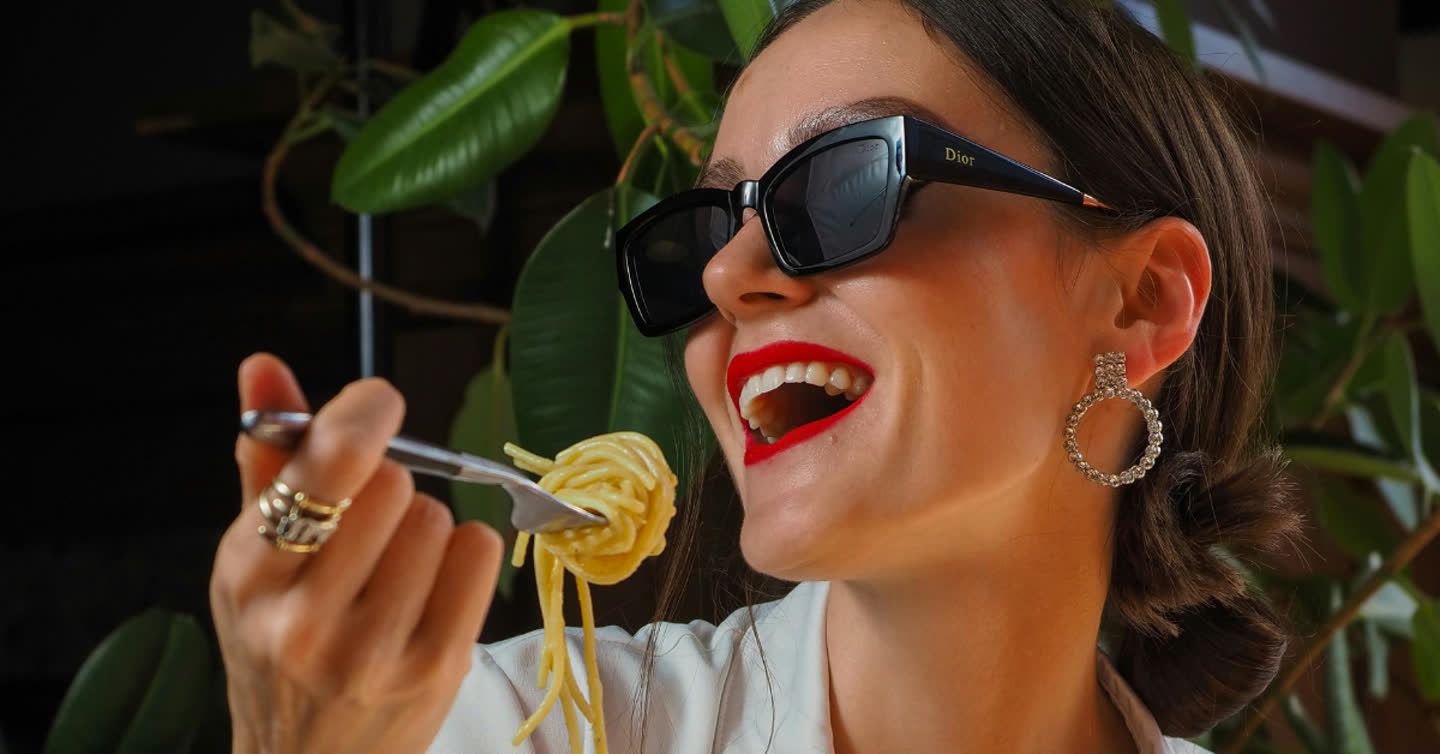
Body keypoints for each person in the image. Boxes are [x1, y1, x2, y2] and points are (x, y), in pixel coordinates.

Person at [211, 0, 1305, 752]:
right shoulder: (528, 728)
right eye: (697, 235)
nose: (731, 275)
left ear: (1144, 298)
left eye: (841, 187)